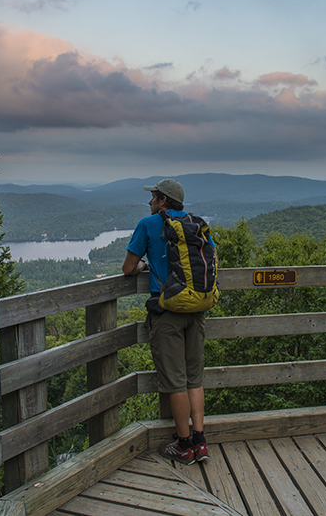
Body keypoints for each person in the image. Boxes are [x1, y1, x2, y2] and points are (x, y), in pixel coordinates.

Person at [122, 178, 212, 465]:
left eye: (153, 197)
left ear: (163, 201)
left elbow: (127, 269)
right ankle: (200, 442)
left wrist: (144, 266)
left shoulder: (147, 225)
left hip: (167, 314)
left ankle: (183, 446)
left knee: (175, 382)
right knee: (194, 378)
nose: (149, 202)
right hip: (196, 311)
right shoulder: (196, 224)